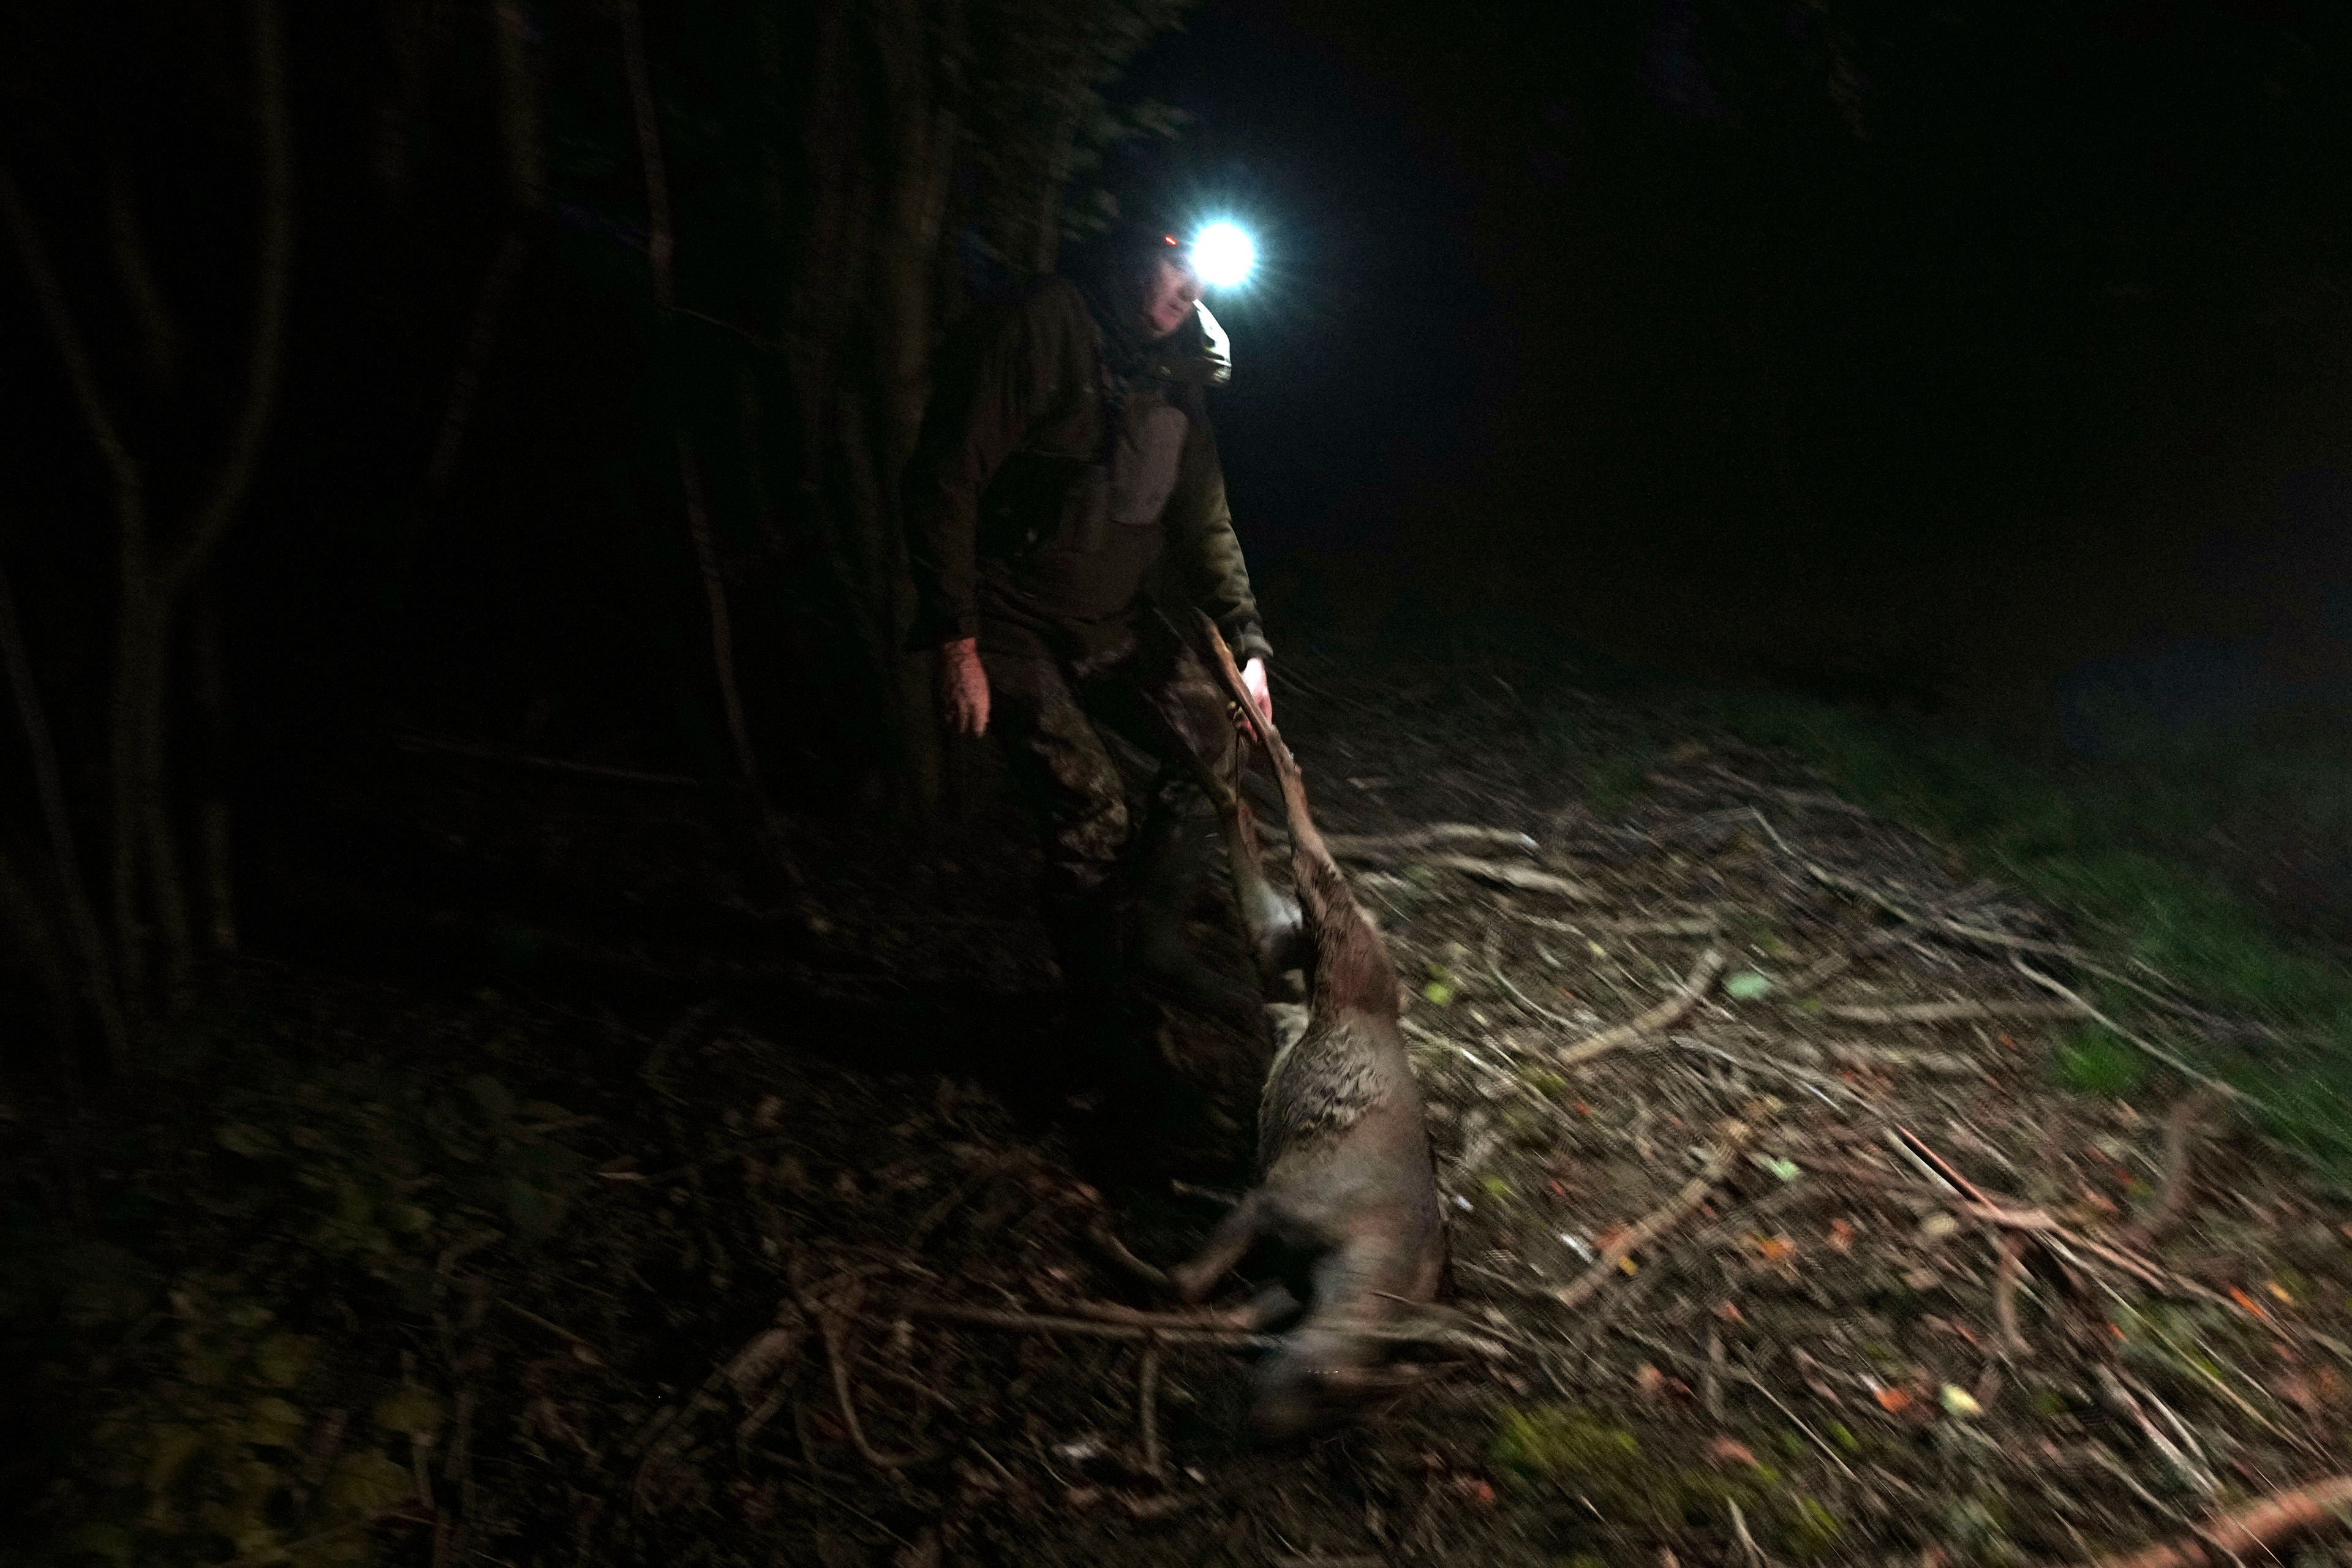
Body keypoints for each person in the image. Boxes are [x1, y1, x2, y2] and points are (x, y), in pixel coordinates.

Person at [903, 221, 1276, 1097]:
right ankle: (1101, 1027)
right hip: (1007, 620)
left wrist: (1248, 642)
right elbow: (946, 476)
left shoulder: (1184, 370)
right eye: (1175, 267)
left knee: (1215, 746)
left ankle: (1151, 939)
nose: (1187, 291)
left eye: (1201, 280)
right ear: (1135, 254)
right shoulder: (1045, 326)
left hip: (1113, 618)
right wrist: (954, 638)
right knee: (1092, 817)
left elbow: (1204, 517)